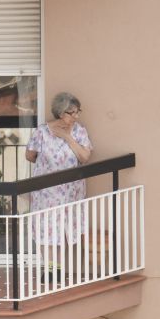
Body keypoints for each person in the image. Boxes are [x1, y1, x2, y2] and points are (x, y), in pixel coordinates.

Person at [25, 92, 94, 283]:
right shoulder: (41, 132)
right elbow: (30, 155)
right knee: (45, 228)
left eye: (78, 112)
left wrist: (67, 138)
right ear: (61, 113)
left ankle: (58, 269)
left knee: (63, 228)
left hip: (70, 190)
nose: (76, 116)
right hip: (45, 191)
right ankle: (50, 270)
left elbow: (84, 157)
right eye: (73, 112)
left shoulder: (79, 131)